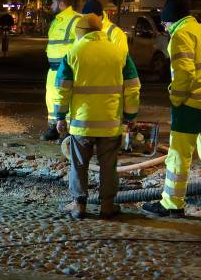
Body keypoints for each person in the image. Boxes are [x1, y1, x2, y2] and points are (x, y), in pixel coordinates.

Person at [142, 0, 201, 222]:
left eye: (165, 24)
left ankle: (172, 204)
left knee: (179, 156)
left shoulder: (181, 36)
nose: (165, 29)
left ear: (170, 21)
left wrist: (176, 99)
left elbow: (183, 73)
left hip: (190, 106)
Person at [54, 14, 141, 219]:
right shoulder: (119, 53)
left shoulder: (73, 53)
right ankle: (107, 206)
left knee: (78, 165)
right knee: (108, 166)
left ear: (80, 33)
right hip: (110, 124)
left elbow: (62, 89)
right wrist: (130, 115)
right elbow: (132, 87)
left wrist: (60, 116)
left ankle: (79, 205)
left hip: (82, 124)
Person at [42, 0, 81, 141]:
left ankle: (68, 131)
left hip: (67, 68)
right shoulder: (56, 21)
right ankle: (54, 127)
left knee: (66, 98)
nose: (51, 6)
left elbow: (81, 44)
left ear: (61, 4)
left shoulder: (76, 19)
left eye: (53, 3)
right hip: (53, 68)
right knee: (51, 97)